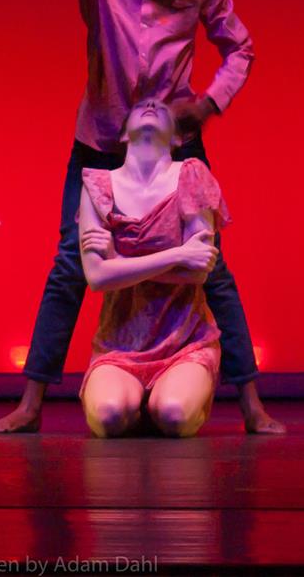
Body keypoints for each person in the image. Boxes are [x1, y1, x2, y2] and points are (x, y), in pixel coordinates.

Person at [0, 0, 285, 435]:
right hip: (102, 137)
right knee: (71, 263)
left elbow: (240, 48)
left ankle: (252, 406)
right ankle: (30, 405)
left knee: (212, 269)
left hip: (174, 147)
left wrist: (211, 101)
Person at [79, 97, 228, 438]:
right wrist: (175, 256)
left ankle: (165, 398)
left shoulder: (191, 175)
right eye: (141, 106)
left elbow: (198, 270)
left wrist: (118, 261)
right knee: (108, 416)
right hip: (121, 343)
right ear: (123, 135)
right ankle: (135, 400)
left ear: (176, 138)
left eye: (162, 108)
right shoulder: (97, 186)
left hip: (185, 339)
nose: (151, 105)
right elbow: (98, 278)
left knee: (173, 415)